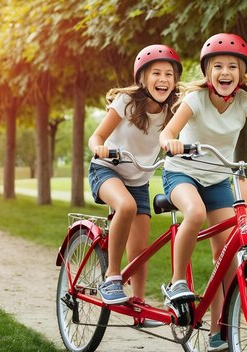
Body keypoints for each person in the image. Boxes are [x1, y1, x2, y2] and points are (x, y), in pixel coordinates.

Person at [158, 33, 247, 350]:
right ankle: (178, 282)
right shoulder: (195, 100)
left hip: (219, 179)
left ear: (242, 72)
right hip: (183, 173)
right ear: (208, 72)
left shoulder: (246, 102)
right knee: (193, 213)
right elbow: (168, 131)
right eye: (218, 66)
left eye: (232, 66)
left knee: (227, 258)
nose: (225, 72)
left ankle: (217, 332)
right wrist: (170, 142)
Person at [88, 44, 182, 306]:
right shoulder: (127, 102)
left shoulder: (173, 111)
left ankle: (138, 302)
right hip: (107, 170)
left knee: (141, 249)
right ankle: (111, 276)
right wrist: (100, 149)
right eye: (156, 73)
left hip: (139, 180)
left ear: (175, 82)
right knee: (125, 206)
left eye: (169, 75)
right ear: (142, 78)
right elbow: (96, 136)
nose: (163, 79)